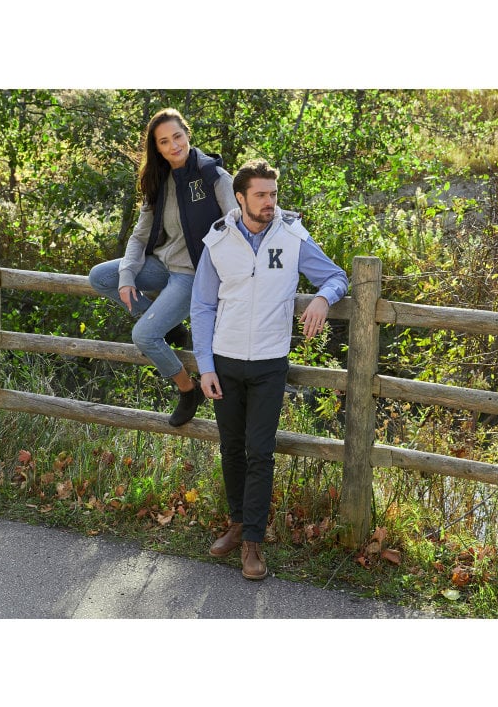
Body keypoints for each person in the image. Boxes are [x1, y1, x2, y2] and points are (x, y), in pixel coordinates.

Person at [190, 159, 349, 580]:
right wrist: (205, 366)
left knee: (260, 451)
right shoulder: (218, 240)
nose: (269, 203)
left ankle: (253, 543)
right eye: (260, 195)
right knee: (231, 448)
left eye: (273, 194)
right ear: (239, 198)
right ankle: (237, 522)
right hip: (224, 361)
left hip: (269, 362)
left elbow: (336, 276)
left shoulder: (293, 236)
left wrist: (323, 298)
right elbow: (202, 306)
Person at [89, 108, 236, 427]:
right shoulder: (158, 181)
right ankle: (171, 327)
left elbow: (237, 223)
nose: (173, 146)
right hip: (161, 264)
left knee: (144, 335)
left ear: (187, 135)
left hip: (193, 274)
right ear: (156, 147)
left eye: (177, 137)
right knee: (101, 277)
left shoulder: (213, 176)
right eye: (164, 141)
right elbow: (140, 235)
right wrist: (127, 277)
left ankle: (188, 389)